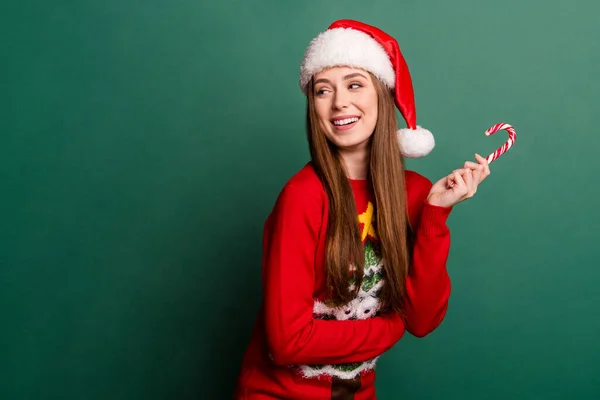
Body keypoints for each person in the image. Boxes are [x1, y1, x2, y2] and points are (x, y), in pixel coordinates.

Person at [234, 19, 491, 400]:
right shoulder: (303, 196)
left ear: (382, 95)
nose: (339, 102)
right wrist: (389, 329)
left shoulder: (416, 193)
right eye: (323, 90)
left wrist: (435, 214)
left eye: (355, 84)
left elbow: (421, 320)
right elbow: (289, 341)